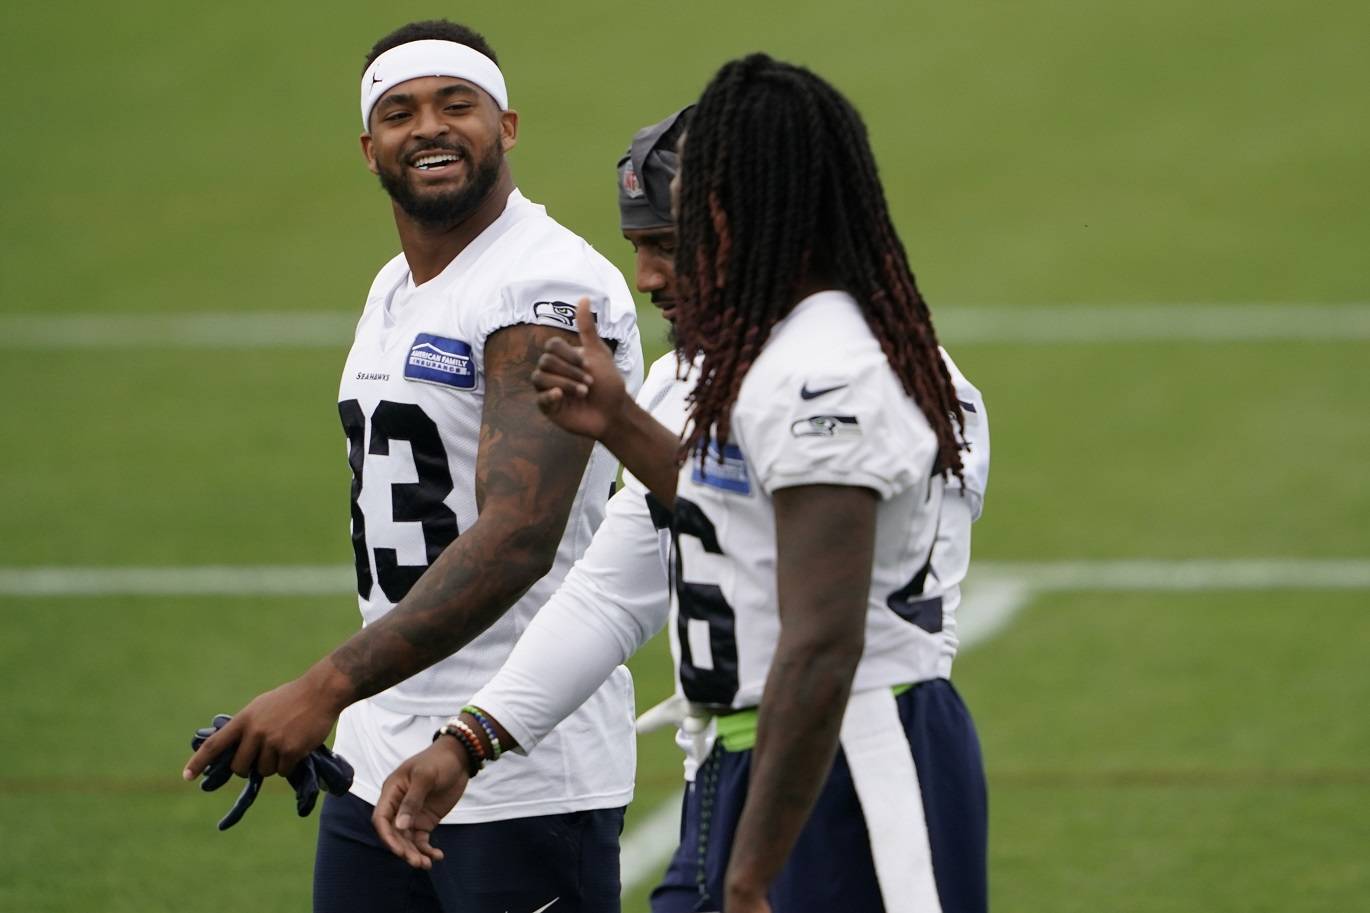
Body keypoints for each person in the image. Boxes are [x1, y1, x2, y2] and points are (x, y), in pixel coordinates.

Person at [374, 60, 991, 913]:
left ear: (754, 223)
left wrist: (748, 873)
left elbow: (820, 633)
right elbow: (623, 585)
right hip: (730, 765)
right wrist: (471, 739)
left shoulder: (836, 375)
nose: (647, 277)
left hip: (851, 755)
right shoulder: (698, 378)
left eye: (669, 245)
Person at [183, 19, 643, 913]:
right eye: (399, 112)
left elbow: (517, 535)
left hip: (518, 762)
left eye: (455, 104)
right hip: (375, 755)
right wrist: (344, 704)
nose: (428, 127)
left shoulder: (546, 284)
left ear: (506, 125)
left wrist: (320, 687)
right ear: (369, 148)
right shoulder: (394, 286)